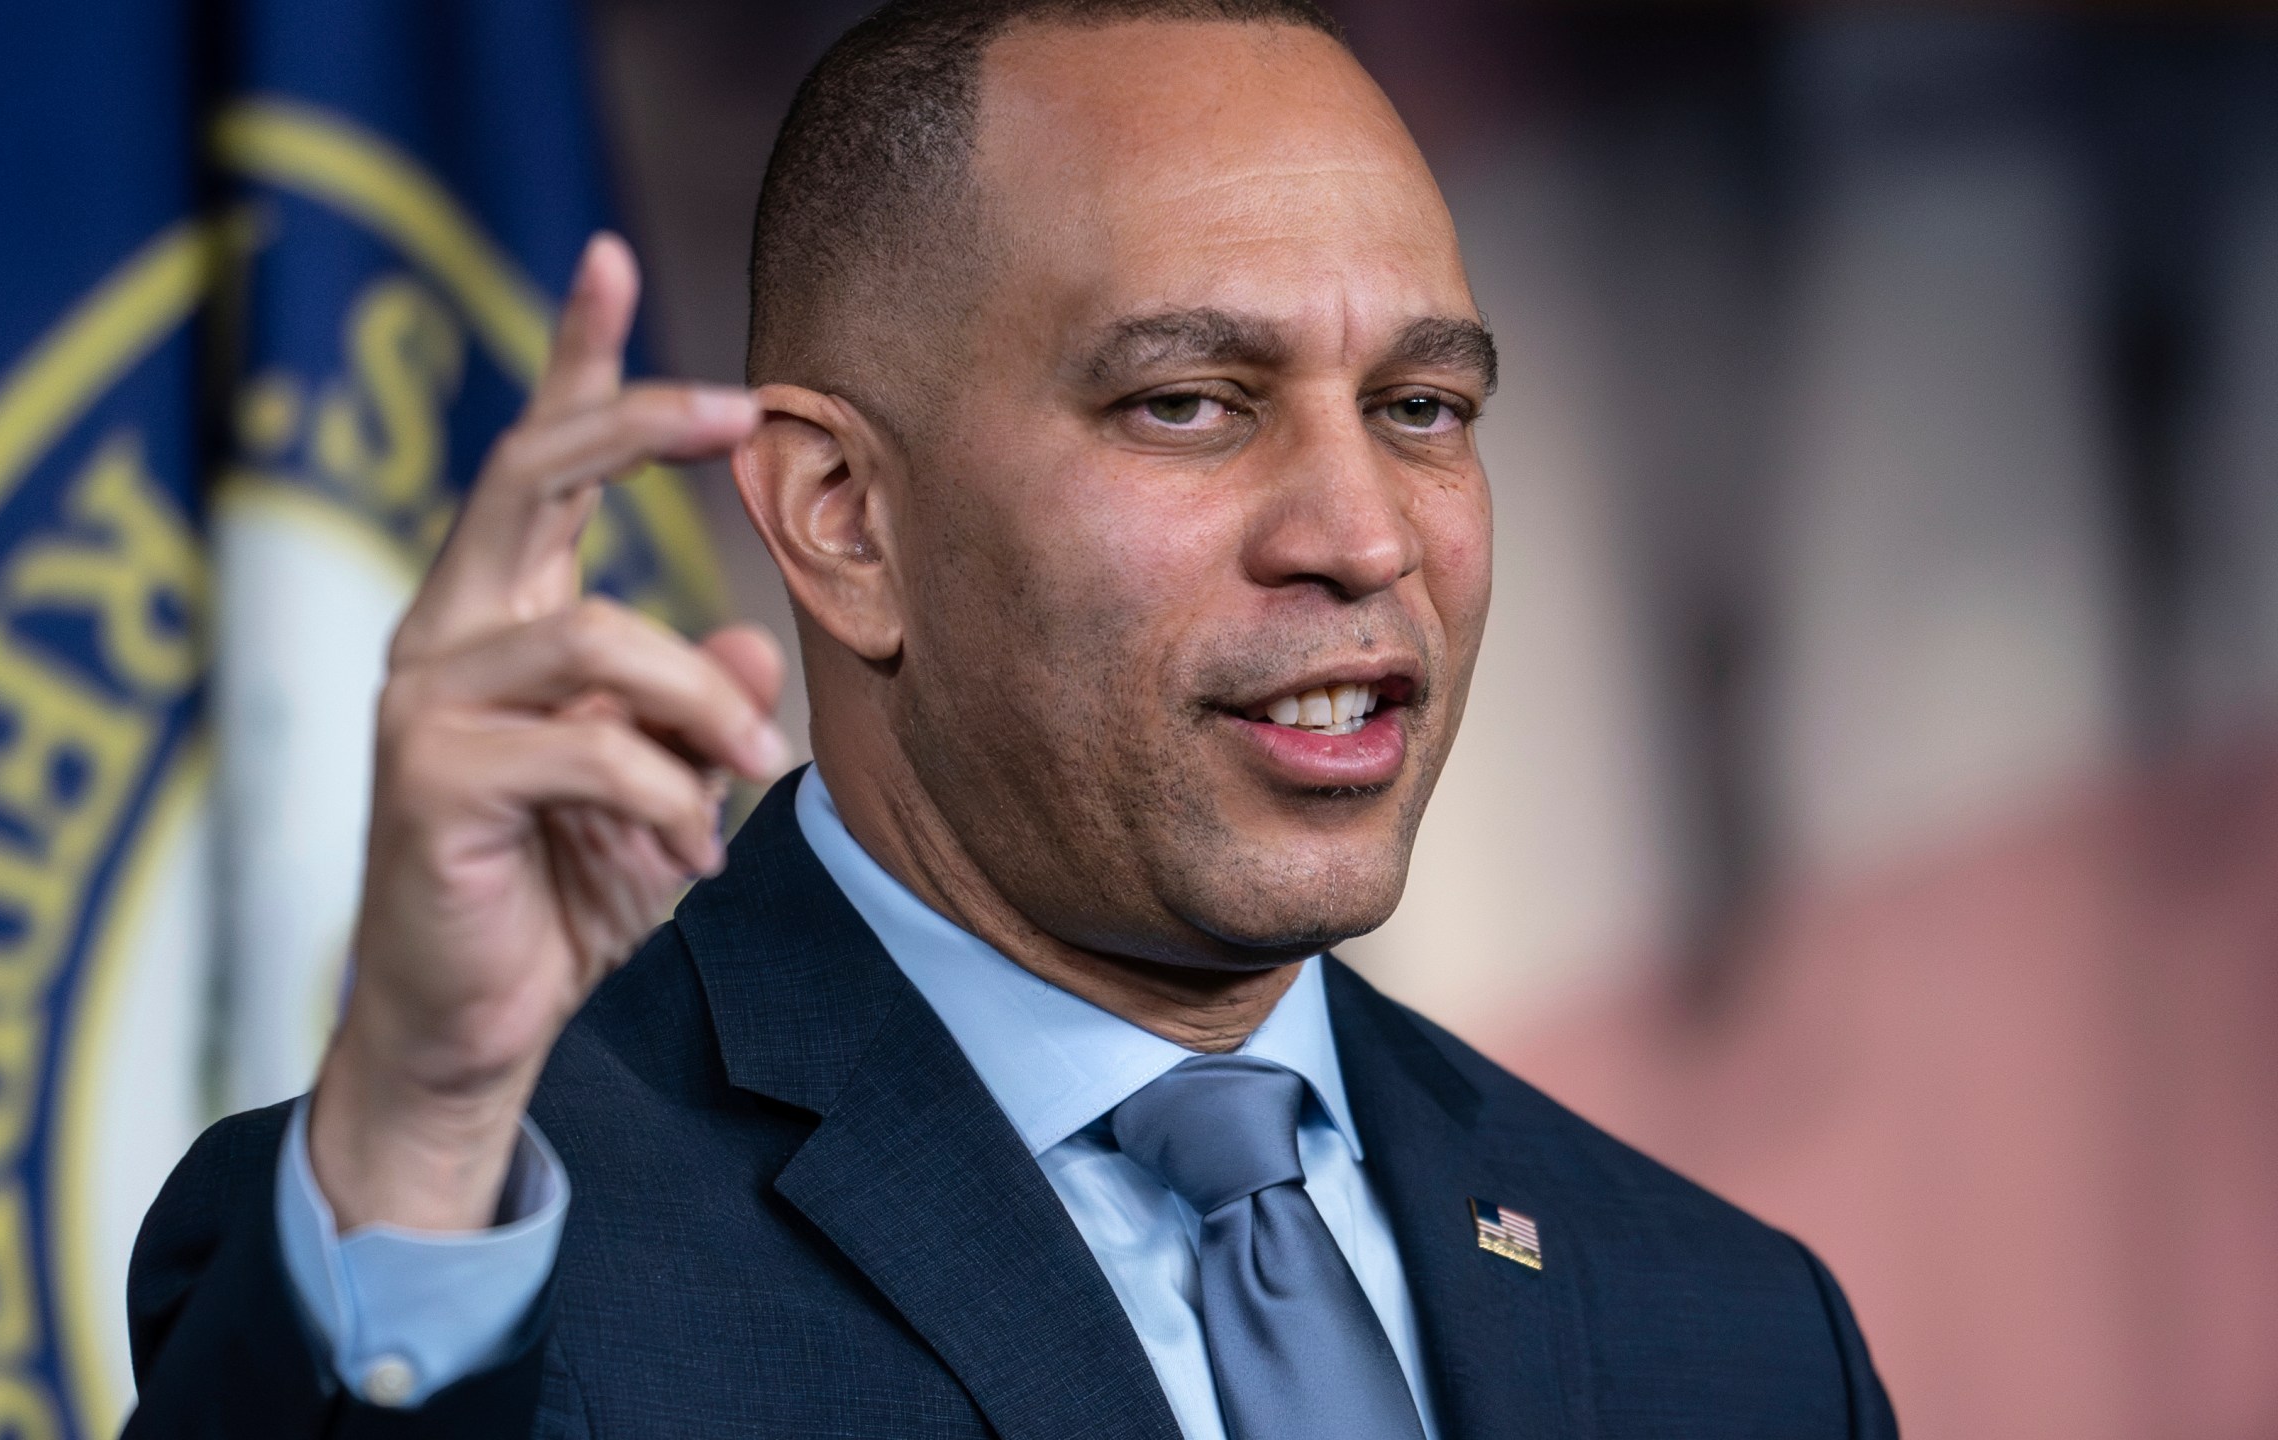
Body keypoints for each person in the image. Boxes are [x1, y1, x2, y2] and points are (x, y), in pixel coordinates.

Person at [122, 2, 1898, 1435]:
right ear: (843, 516)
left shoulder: (1729, 1334)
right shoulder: (476, 1254)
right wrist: (429, 1133)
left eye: (1424, 406)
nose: (1364, 536)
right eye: (1193, 404)